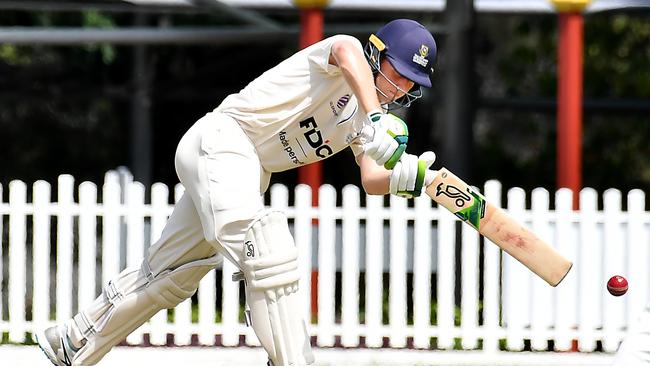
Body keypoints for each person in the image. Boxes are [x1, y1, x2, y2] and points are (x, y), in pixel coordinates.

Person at [35, 18, 438, 366]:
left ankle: (74, 339)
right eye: (398, 72)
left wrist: (408, 179)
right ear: (376, 53)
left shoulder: (372, 120)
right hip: (224, 141)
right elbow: (345, 48)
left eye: (411, 83)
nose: (400, 87)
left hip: (246, 170)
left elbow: (370, 177)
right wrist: (373, 118)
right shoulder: (345, 63)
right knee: (266, 249)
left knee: (172, 275)